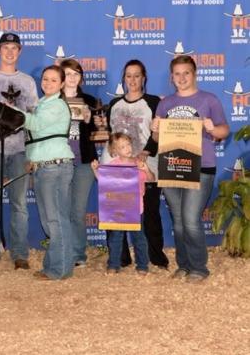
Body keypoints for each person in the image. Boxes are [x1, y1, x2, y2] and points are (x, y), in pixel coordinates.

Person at [151, 55, 229, 282]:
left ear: (195, 74)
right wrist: (155, 129)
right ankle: (184, 265)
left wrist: (212, 128)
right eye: (177, 74)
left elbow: (224, 130)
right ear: (171, 77)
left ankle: (199, 268)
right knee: (178, 221)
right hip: (171, 165)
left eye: (186, 73)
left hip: (201, 166)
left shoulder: (209, 99)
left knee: (190, 219)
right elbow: (157, 139)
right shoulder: (165, 103)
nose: (182, 77)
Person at [0, 33, 38, 272]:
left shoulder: (27, 82)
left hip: (20, 149)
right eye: (6, 47)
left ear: (20, 51)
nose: (10, 52)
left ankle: (20, 253)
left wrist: (32, 151)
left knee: (19, 203)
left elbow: (34, 117)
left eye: (14, 48)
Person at [99, 60, 169, 269]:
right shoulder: (114, 104)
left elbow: (160, 132)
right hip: (116, 168)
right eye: (128, 75)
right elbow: (110, 135)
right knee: (115, 215)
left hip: (145, 164)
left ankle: (155, 257)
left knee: (149, 214)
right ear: (124, 78)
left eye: (137, 75)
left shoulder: (154, 102)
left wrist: (146, 152)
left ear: (144, 78)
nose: (132, 80)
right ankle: (119, 258)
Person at [22, 65, 74, 280]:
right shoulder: (42, 103)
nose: (48, 83)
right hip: (44, 166)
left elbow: (36, 124)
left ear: (62, 84)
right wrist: (30, 158)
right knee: (50, 220)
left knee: (55, 220)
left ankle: (59, 269)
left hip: (54, 166)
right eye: (45, 79)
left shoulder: (57, 105)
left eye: (54, 80)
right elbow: (35, 135)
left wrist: (12, 113)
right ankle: (55, 266)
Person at [91, 133, 153, 275]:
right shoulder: (112, 165)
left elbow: (150, 179)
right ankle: (113, 264)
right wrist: (95, 170)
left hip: (136, 208)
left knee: (139, 238)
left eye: (128, 145)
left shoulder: (138, 163)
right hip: (117, 209)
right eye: (122, 147)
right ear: (115, 151)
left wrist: (146, 170)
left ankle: (142, 265)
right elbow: (103, 180)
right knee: (116, 237)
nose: (127, 148)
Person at [59, 59, 98, 268]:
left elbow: (100, 131)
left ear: (81, 77)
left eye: (76, 74)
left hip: (83, 162)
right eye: (68, 74)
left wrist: (91, 120)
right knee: (61, 209)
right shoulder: (53, 99)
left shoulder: (90, 100)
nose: (72, 78)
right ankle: (63, 251)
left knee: (78, 211)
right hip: (60, 161)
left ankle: (78, 253)